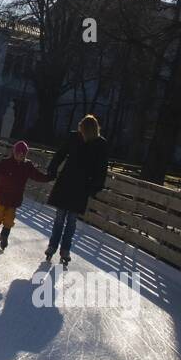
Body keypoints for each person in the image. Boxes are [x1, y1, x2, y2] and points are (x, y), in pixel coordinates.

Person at [44, 114, 109, 269]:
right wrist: (52, 169)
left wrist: (95, 187)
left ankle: (65, 249)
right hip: (67, 183)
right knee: (60, 218)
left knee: (71, 221)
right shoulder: (74, 137)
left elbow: (102, 168)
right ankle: (53, 246)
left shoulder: (100, 144)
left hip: (81, 187)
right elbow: (61, 153)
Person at [0, 140, 52, 250]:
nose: (21, 156)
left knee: (9, 221)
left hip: (14, 200)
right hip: (1, 197)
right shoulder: (6, 163)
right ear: (14, 153)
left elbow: (36, 175)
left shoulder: (27, 166)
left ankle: (4, 238)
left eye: (23, 154)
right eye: (19, 153)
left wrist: (47, 178)